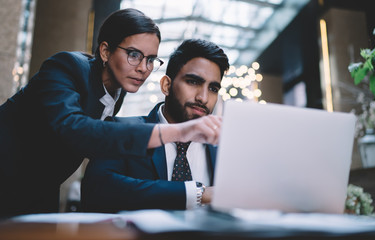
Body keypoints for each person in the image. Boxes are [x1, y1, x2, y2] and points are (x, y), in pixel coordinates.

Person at [0, 9, 221, 217]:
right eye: (134, 55)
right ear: (105, 51)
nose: (144, 68)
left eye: (151, 59)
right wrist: (175, 132)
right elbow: (74, 128)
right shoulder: (67, 67)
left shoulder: (117, 91)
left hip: (41, 187)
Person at [81, 39, 230, 212]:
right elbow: (95, 191)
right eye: (193, 82)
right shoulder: (120, 129)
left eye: (213, 89)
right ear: (166, 85)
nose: (203, 98)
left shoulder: (223, 148)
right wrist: (196, 194)